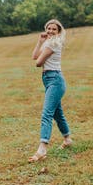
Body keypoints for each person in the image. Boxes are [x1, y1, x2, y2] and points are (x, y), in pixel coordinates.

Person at [29, 19, 73, 162]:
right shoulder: (48, 42)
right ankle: (67, 139)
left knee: (46, 114)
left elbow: (38, 63)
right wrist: (40, 41)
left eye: (54, 29)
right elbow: (34, 56)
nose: (50, 31)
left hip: (55, 80)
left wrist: (44, 46)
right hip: (49, 79)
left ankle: (42, 149)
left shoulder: (54, 43)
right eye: (48, 28)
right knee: (57, 113)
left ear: (59, 31)